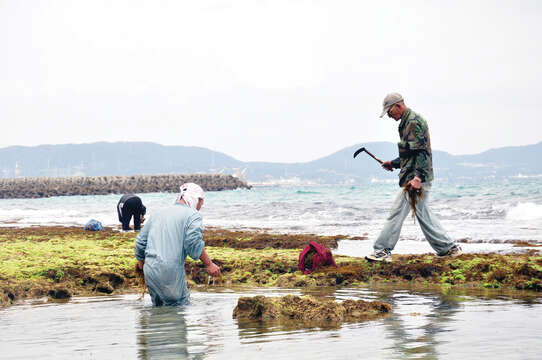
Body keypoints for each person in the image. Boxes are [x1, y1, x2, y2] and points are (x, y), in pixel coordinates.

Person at [365, 92, 461, 262]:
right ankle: (449, 248)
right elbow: (410, 152)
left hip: (416, 179)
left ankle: (382, 250)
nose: (389, 115)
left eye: (390, 111)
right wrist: (393, 163)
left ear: (399, 106)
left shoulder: (413, 122)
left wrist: (417, 178)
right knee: (423, 214)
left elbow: (422, 152)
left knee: (396, 213)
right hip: (416, 176)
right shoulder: (406, 122)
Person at [134, 183, 221, 306]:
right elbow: (193, 242)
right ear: (197, 199)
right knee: (178, 307)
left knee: (158, 309)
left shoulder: (157, 214)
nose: (200, 206)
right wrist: (209, 264)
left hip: (150, 271)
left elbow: (140, 242)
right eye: (201, 202)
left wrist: (142, 265)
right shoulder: (192, 215)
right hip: (170, 271)